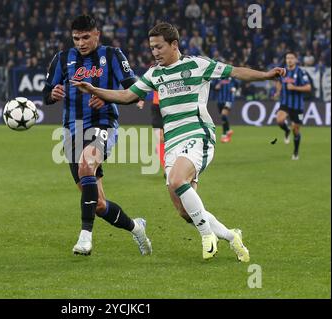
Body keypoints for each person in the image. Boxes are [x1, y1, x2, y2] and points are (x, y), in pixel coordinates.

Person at [71, 22, 286, 261]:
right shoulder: (155, 73)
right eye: (152, 48)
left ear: (174, 44)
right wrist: (94, 89)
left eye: (159, 47)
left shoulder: (197, 64)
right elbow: (127, 95)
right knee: (185, 211)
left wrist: (266, 75)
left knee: (176, 180)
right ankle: (230, 235)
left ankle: (207, 236)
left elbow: (236, 71)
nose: (155, 52)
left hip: (197, 134)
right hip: (173, 143)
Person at [42, 15, 152, 256]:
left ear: (97, 34)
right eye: (76, 38)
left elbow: (132, 88)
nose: (80, 43)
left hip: (103, 124)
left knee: (86, 163)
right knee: (99, 204)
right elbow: (46, 94)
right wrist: (54, 94)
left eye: (85, 37)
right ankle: (137, 228)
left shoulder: (112, 55)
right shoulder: (62, 59)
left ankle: (85, 237)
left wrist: (107, 96)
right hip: (72, 130)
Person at [274, 52, 312, 160]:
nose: (289, 60)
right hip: (285, 103)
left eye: (291, 58)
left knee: (296, 130)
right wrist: (277, 91)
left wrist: (295, 88)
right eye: (287, 58)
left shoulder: (301, 72)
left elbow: (308, 87)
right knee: (279, 120)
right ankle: (286, 131)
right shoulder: (283, 71)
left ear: (296, 60)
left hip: (298, 106)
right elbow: (278, 82)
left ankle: (295, 152)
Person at [211, 71, 238, 143]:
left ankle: (224, 134)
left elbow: (237, 85)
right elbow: (213, 87)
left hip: (229, 100)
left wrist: (234, 88)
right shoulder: (218, 78)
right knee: (223, 118)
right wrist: (216, 87)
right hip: (220, 100)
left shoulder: (231, 78)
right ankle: (228, 131)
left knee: (223, 115)